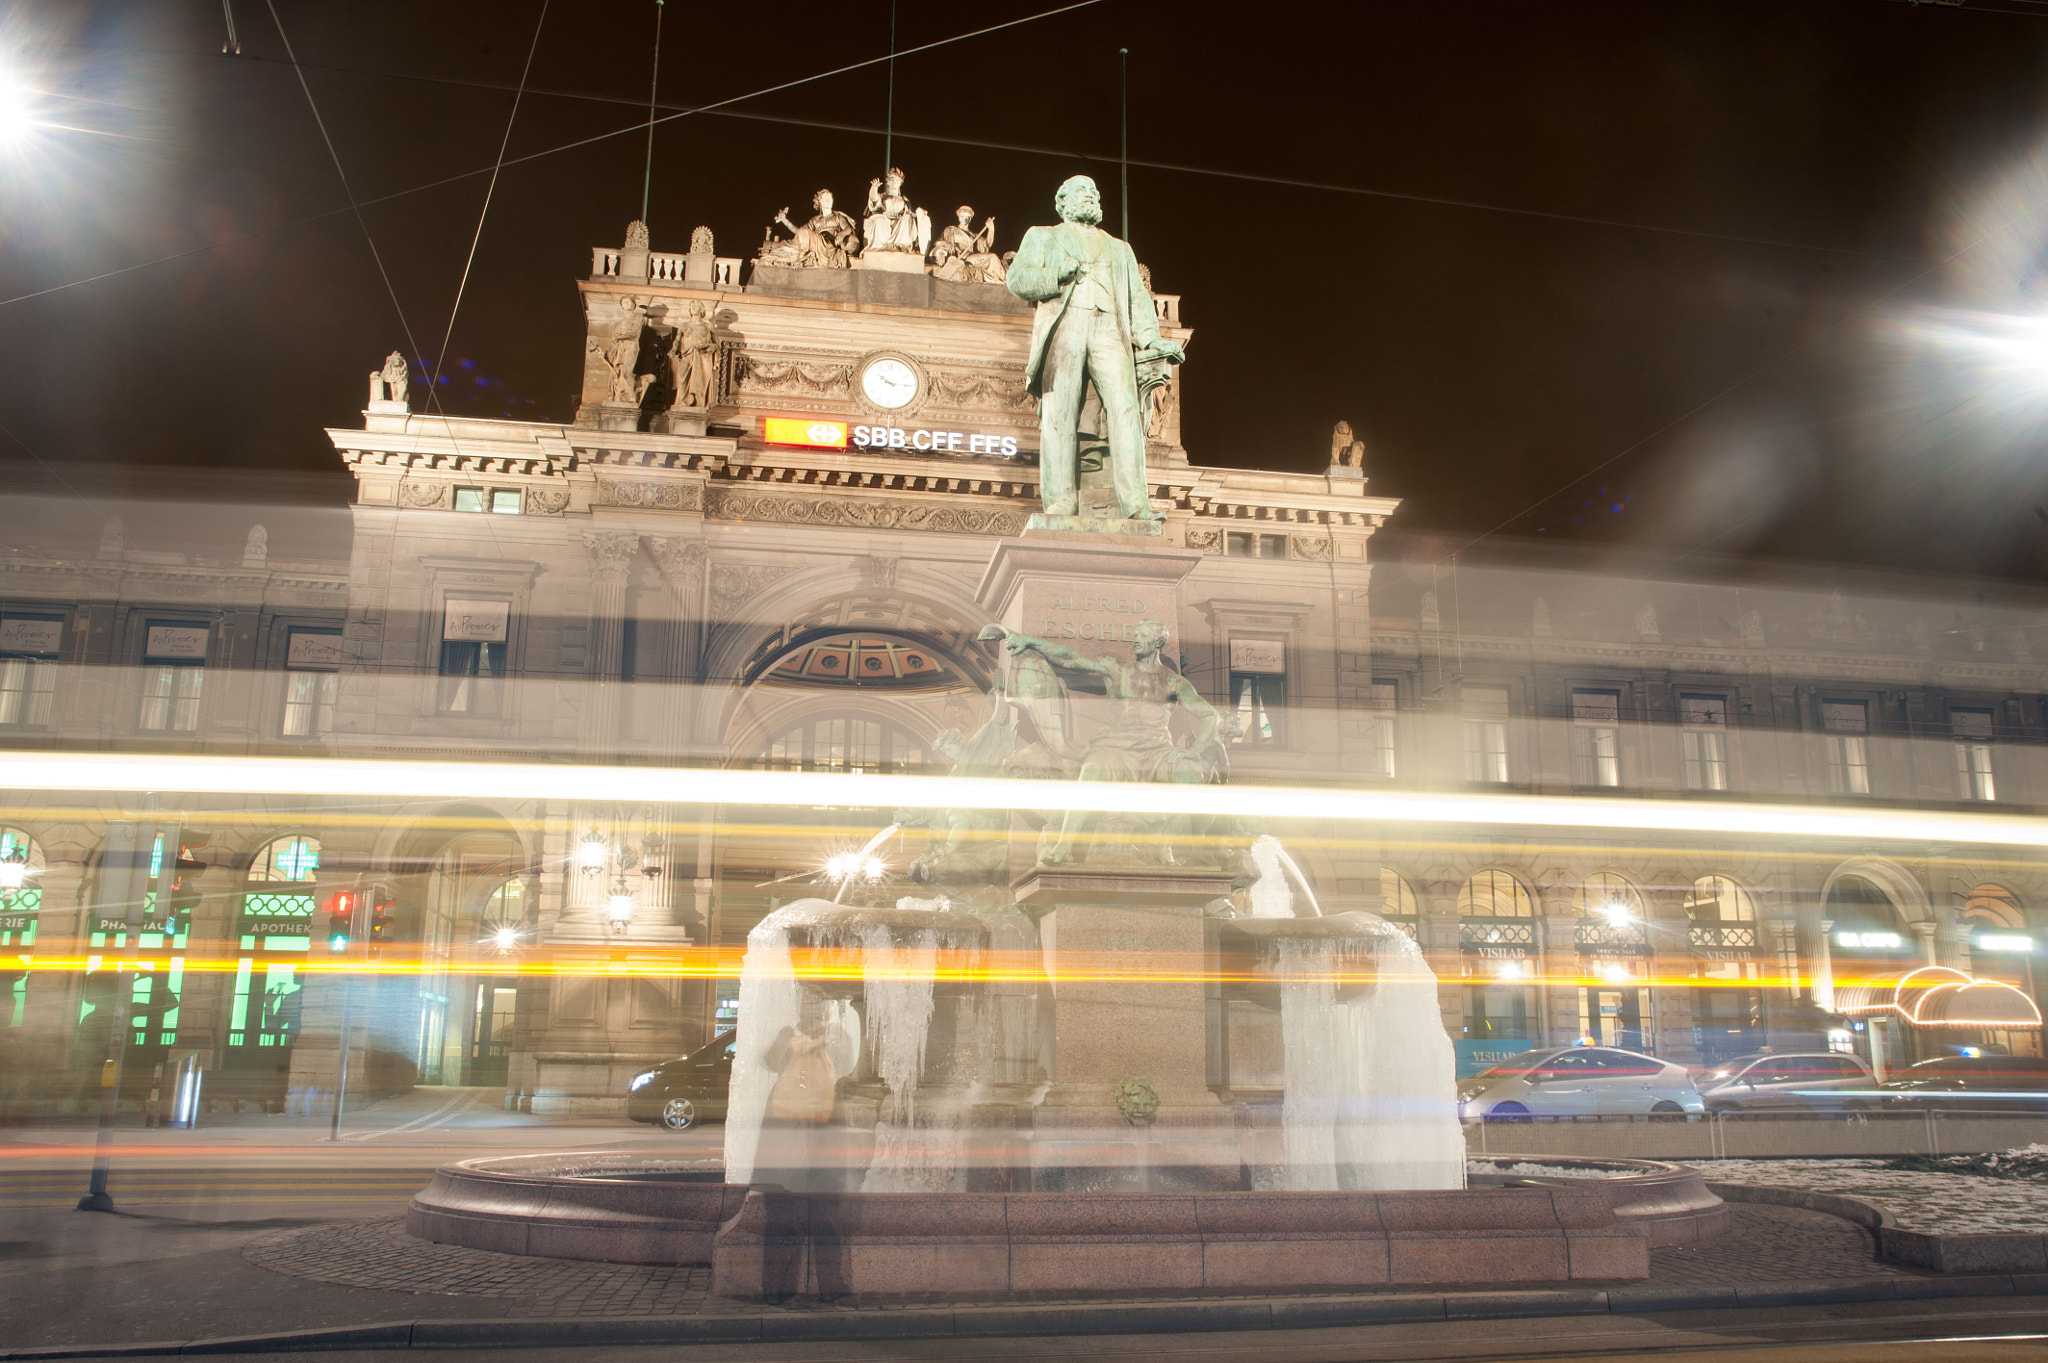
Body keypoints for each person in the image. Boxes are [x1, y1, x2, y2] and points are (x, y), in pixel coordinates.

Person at [1006, 175, 1182, 521]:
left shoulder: (1120, 249)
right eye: (1082, 192)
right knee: (1060, 415)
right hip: (1066, 326)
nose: (1091, 197)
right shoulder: (1043, 236)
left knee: (1127, 409)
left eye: (1094, 193)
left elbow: (1138, 301)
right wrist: (1056, 274)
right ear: (1063, 202)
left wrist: (1150, 338)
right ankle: (1060, 505)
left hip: (1108, 330)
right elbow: (1017, 280)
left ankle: (1135, 504)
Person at [980, 619, 1223, 864]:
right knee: (1091, 771)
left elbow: (1211, 715)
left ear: (1158, 642)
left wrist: (1193, 752)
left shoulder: (1174, 682)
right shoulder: (1116, 668)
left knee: (1191, 775)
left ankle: (1163, 844)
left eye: (1143, 634)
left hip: (1158, 750)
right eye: (1135, 633)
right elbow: (1070, 659)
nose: (1135, 638)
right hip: (1116, 747)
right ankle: (1064, 846)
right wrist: (1029, 641)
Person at [755, 1009, 851, 1302]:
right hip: (795, 1142)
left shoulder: (835, 1036)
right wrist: (792, 1044)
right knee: (791, 1216)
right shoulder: (790, 1035)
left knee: (817, 1217)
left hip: (810, 1142)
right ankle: (784, 1289)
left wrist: (822, 1042)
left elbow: (847, 1066)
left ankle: (824, 1288)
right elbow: (769, 1060)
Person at [929, 205, 1005, 284]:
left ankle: (1000, 279)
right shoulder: (951, 230)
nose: (964, 219)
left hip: (970, 257)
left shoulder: (973, 235)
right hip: (962, 257)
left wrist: (991, 229)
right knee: (991, 257)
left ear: (970, 218)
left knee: (992, 257)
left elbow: (988, 243)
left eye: (967, 217)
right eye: (962, 216)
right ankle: (1004, 280)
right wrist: (941, 253)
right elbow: (940, 243)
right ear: (958, 217)